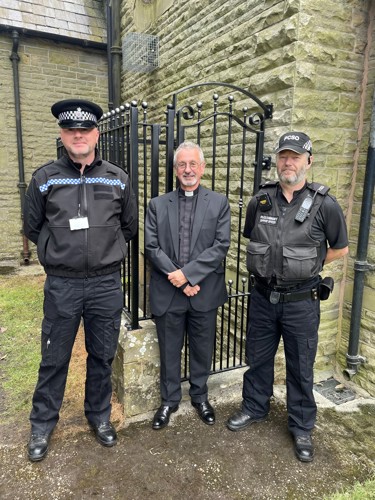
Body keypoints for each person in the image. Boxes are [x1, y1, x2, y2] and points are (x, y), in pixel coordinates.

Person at [23, 99, 138, 462]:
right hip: (63, 284)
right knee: (54, 357)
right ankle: (42, 424)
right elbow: (32, 226)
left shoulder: (117, 178)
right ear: (62, 134)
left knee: (102, 356)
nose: (78, 136)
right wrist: (57, 253)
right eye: (71, 130)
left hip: (105, 283)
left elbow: (129, 227)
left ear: (96, 134)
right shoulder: (45, 179)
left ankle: (99, 416)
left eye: (85, 130)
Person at [227, 131, 349, 462]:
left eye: (295, 156)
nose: (288, 162)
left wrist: (309, 264)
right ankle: (254, 407)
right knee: (258, 358)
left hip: (301, 302)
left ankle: (301, 427)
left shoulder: (325, 205)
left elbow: (340, 248)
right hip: (263, 298)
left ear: (308, 160)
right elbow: (253, 235)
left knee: (300, 366)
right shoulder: (260, 200)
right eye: (283, 156)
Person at [145, 141, 231, 430]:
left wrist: (189, 276)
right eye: (182, 164)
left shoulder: (219, 203)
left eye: (193, 163)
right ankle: (169, 401)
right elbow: (152, 247)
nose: (188, 169)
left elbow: (221, 246)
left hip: (204, 292)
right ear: (175, 169)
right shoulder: (157, 205)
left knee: (202, 348)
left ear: (202, 168)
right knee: (169, 350)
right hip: (170, 292)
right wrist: (180, 280)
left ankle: (200, 396)